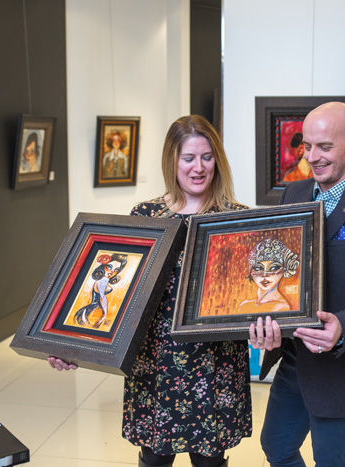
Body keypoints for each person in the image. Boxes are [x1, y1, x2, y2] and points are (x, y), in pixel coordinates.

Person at [49, 115, 252, 467]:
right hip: (157, 362)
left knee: (210, 461)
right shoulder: (146, 216)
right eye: (188, 158)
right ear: (172, 160)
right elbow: (115, 295)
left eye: (207, 157)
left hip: (216, 362)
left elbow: (252, 294)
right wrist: (70, 346)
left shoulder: (236, 218)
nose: (199, 167)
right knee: (155, 460)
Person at [250, 102, 345, 467]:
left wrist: (343, 326)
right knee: (276, 448)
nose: (312, 157)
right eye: (307, 146)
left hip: (344, 368)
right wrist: (265, 316)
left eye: (324, 147)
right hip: (294, 359)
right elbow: (284, 273)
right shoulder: (293, 194)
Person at [237, 239, 300, 314]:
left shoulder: (281, 307)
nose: (265, 275)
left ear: (284, 269)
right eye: (258, 268)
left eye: (274, 268)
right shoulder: (244, 306)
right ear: (251, 271)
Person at [73, 253, 128, 329]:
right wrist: (105, 314)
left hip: (95, 309)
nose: (112, 271)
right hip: (95, 311)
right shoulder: (102, 281)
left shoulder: (104, 281)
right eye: (109, 267)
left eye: (116, 269)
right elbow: (102, 298)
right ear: (103, 266)